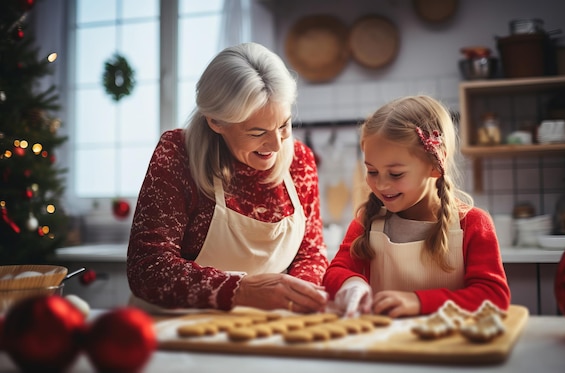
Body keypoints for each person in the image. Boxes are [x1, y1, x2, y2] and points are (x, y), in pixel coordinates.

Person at [127, 42, 328, 313]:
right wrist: (240, 290)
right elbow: (148, 267)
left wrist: (298, 295)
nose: (277, 145)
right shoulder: (178, 153)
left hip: (266, 328)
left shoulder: (300, 161)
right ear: (216, 122)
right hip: (176, 329)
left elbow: (311, 253)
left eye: (284, 125)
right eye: (258, 132)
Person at [322, 95, 511, 318]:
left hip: (451, 346)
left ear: (434, 165)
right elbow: (335, 272)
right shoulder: (368, 220)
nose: (381, 184)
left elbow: (493, 296)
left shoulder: (472, 224)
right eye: (372, 171)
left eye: (396, 174)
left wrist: (419, 301)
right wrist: (352, 284)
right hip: (385, 346)